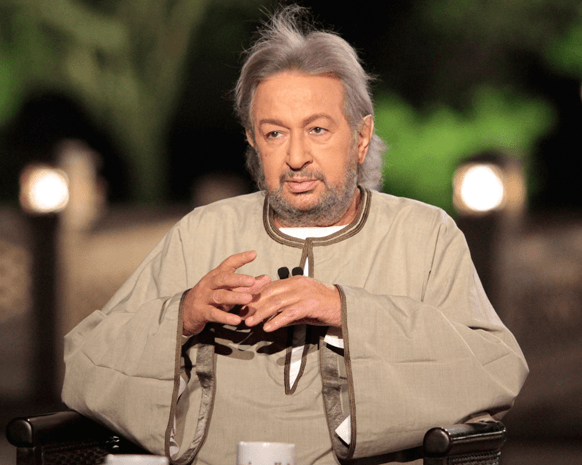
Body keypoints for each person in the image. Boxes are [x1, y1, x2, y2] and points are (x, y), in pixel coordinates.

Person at [62, 5, 528, 465]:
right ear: (252, 139)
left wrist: (344, 310)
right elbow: (83, 366)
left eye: (318, 129)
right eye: (275, 134)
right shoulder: (202, 234)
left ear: (361, 136)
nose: (296, 157)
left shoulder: (423, 237)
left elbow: (495, 370)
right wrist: (181, 317)